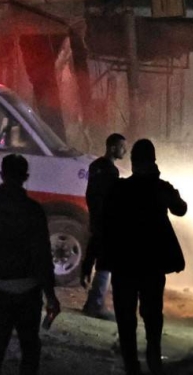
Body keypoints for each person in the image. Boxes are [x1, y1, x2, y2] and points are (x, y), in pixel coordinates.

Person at [100, 139, 187, 375]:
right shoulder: (160, 187)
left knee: (125, 316)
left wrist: (94, 258)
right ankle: (153, 357)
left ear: (133, 162)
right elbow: (181, 209)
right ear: (153, 161)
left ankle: (131, 364)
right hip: (152, 263)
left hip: (125, 262)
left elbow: (104, 224)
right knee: (152, 313)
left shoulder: (120, 188)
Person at [0, 154, 60, 375]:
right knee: (30, 348)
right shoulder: (34, 210)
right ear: (25, 177)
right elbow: (42, 255)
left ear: (2, 175)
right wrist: (50, 295)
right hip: (27, 290)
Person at [80, 133, 127, 321]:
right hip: (107, 222)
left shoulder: (95, 166)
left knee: (95, 257)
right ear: (113, 148)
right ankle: (96, 305)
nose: (125, 151)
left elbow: (91, 194)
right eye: (122, 147)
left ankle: (91, 301)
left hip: (96, 219)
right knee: (106, 263)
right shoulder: (111, 171)